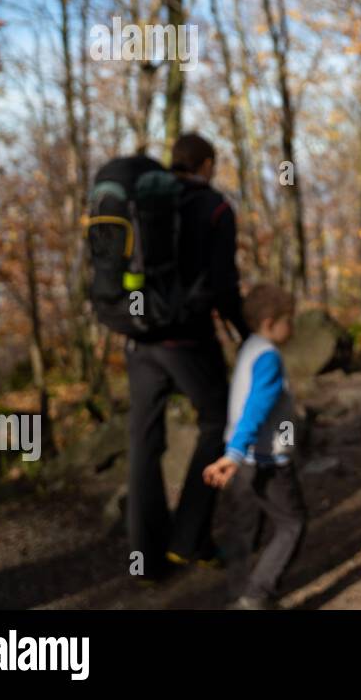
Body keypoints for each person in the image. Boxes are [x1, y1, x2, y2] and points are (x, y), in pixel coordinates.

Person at [126, 133, 250, 581]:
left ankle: (145, 557)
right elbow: (224, 286)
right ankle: (189, 537)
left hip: (139, 340)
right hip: (188, 341)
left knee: (143, 441)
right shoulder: (214, 208)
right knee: (218, 421)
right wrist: (249, 336)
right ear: (206, 163)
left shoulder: (147, 201)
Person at [204, 284, 306, 610]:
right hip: (265, 458)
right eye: (288, 320)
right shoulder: (268, 358)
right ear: (269, 321)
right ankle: (256, 596)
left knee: (249, 525)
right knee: (292, 524)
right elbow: (257, 407)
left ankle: (239, 591)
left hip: (247, 456)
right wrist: (234, 454)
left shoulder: (250, 348)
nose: (292, 328)